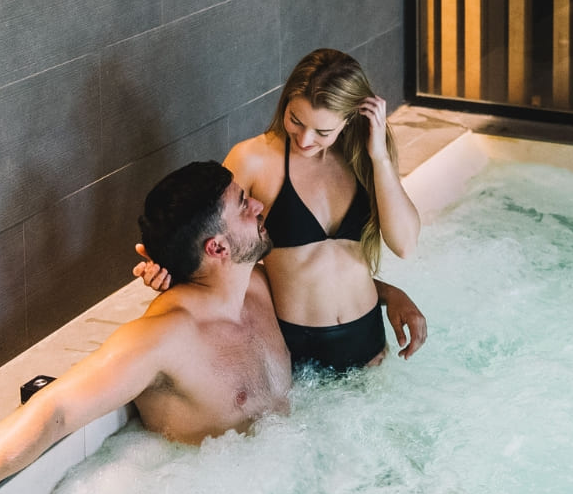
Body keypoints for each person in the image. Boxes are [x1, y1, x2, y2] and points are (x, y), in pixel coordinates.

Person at [0, 161, 424, 494]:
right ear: (217, 247)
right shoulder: (164, 337)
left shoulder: (258, 284)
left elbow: (323, 280)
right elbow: (57, 409)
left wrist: (387, 293)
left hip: (311, 484)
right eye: (243, 205)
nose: (259, 205)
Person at [137, 49, 424, 371]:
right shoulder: (253, 159)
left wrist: (380, 157)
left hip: (369, 339)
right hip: (299, 351)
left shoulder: (365, 158)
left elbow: (405, 245)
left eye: (323, 132)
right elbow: (209, 238)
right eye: (295, 121)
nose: (304, 140)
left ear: (350, 119)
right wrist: (171, 273)